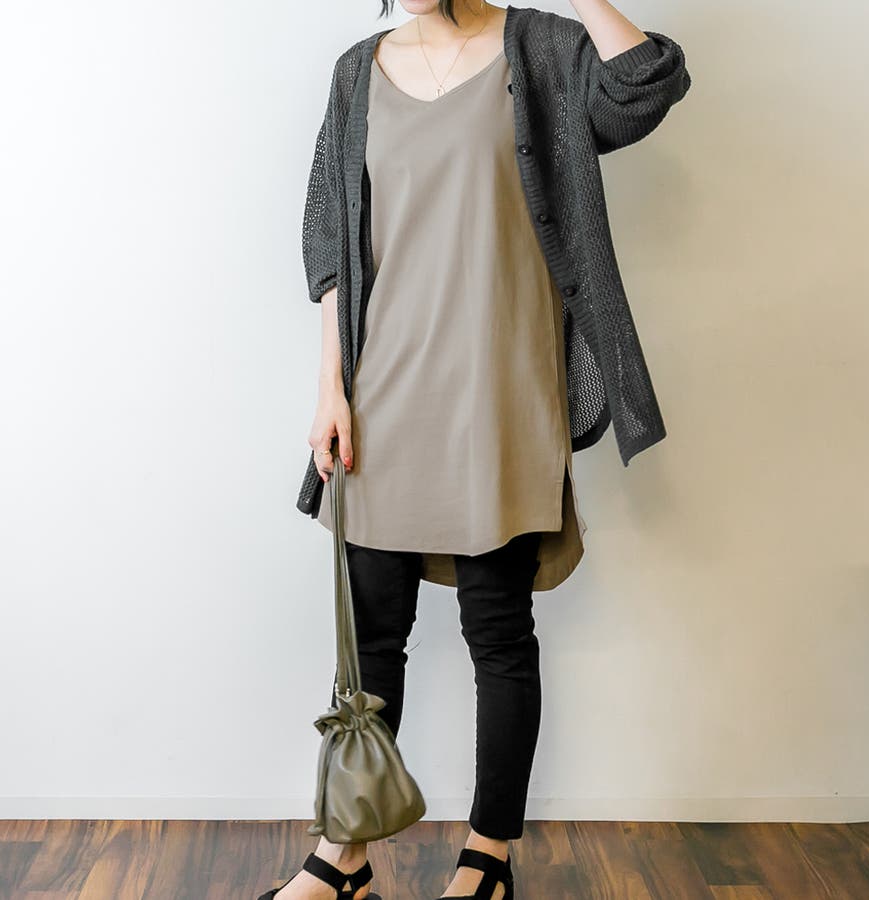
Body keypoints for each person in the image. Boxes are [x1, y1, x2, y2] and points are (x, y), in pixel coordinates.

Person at [261, 2, 690, 898]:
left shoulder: (541, 49)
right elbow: (330, 243)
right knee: (371, 638)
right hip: (385, 393)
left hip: (502, 394)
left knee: (497, 631)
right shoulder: (357, 72)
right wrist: (331, 387)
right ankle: (343, 857)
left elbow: (645, 88)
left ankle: (486, 858)